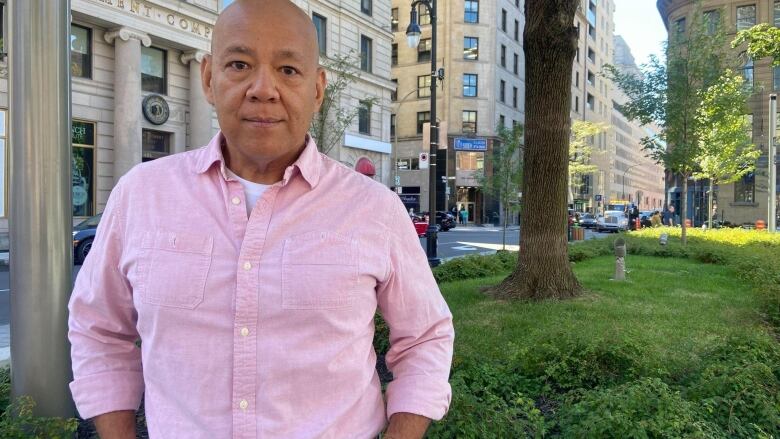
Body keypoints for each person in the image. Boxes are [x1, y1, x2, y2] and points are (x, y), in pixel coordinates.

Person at [67, 1, 454, 438]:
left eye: (288, 70)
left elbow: (425, 338)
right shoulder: (142, 195)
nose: (263, 88)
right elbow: (98, 330)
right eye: (239, 64)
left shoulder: (373, 209)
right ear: (209, 78)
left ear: (318, 89)